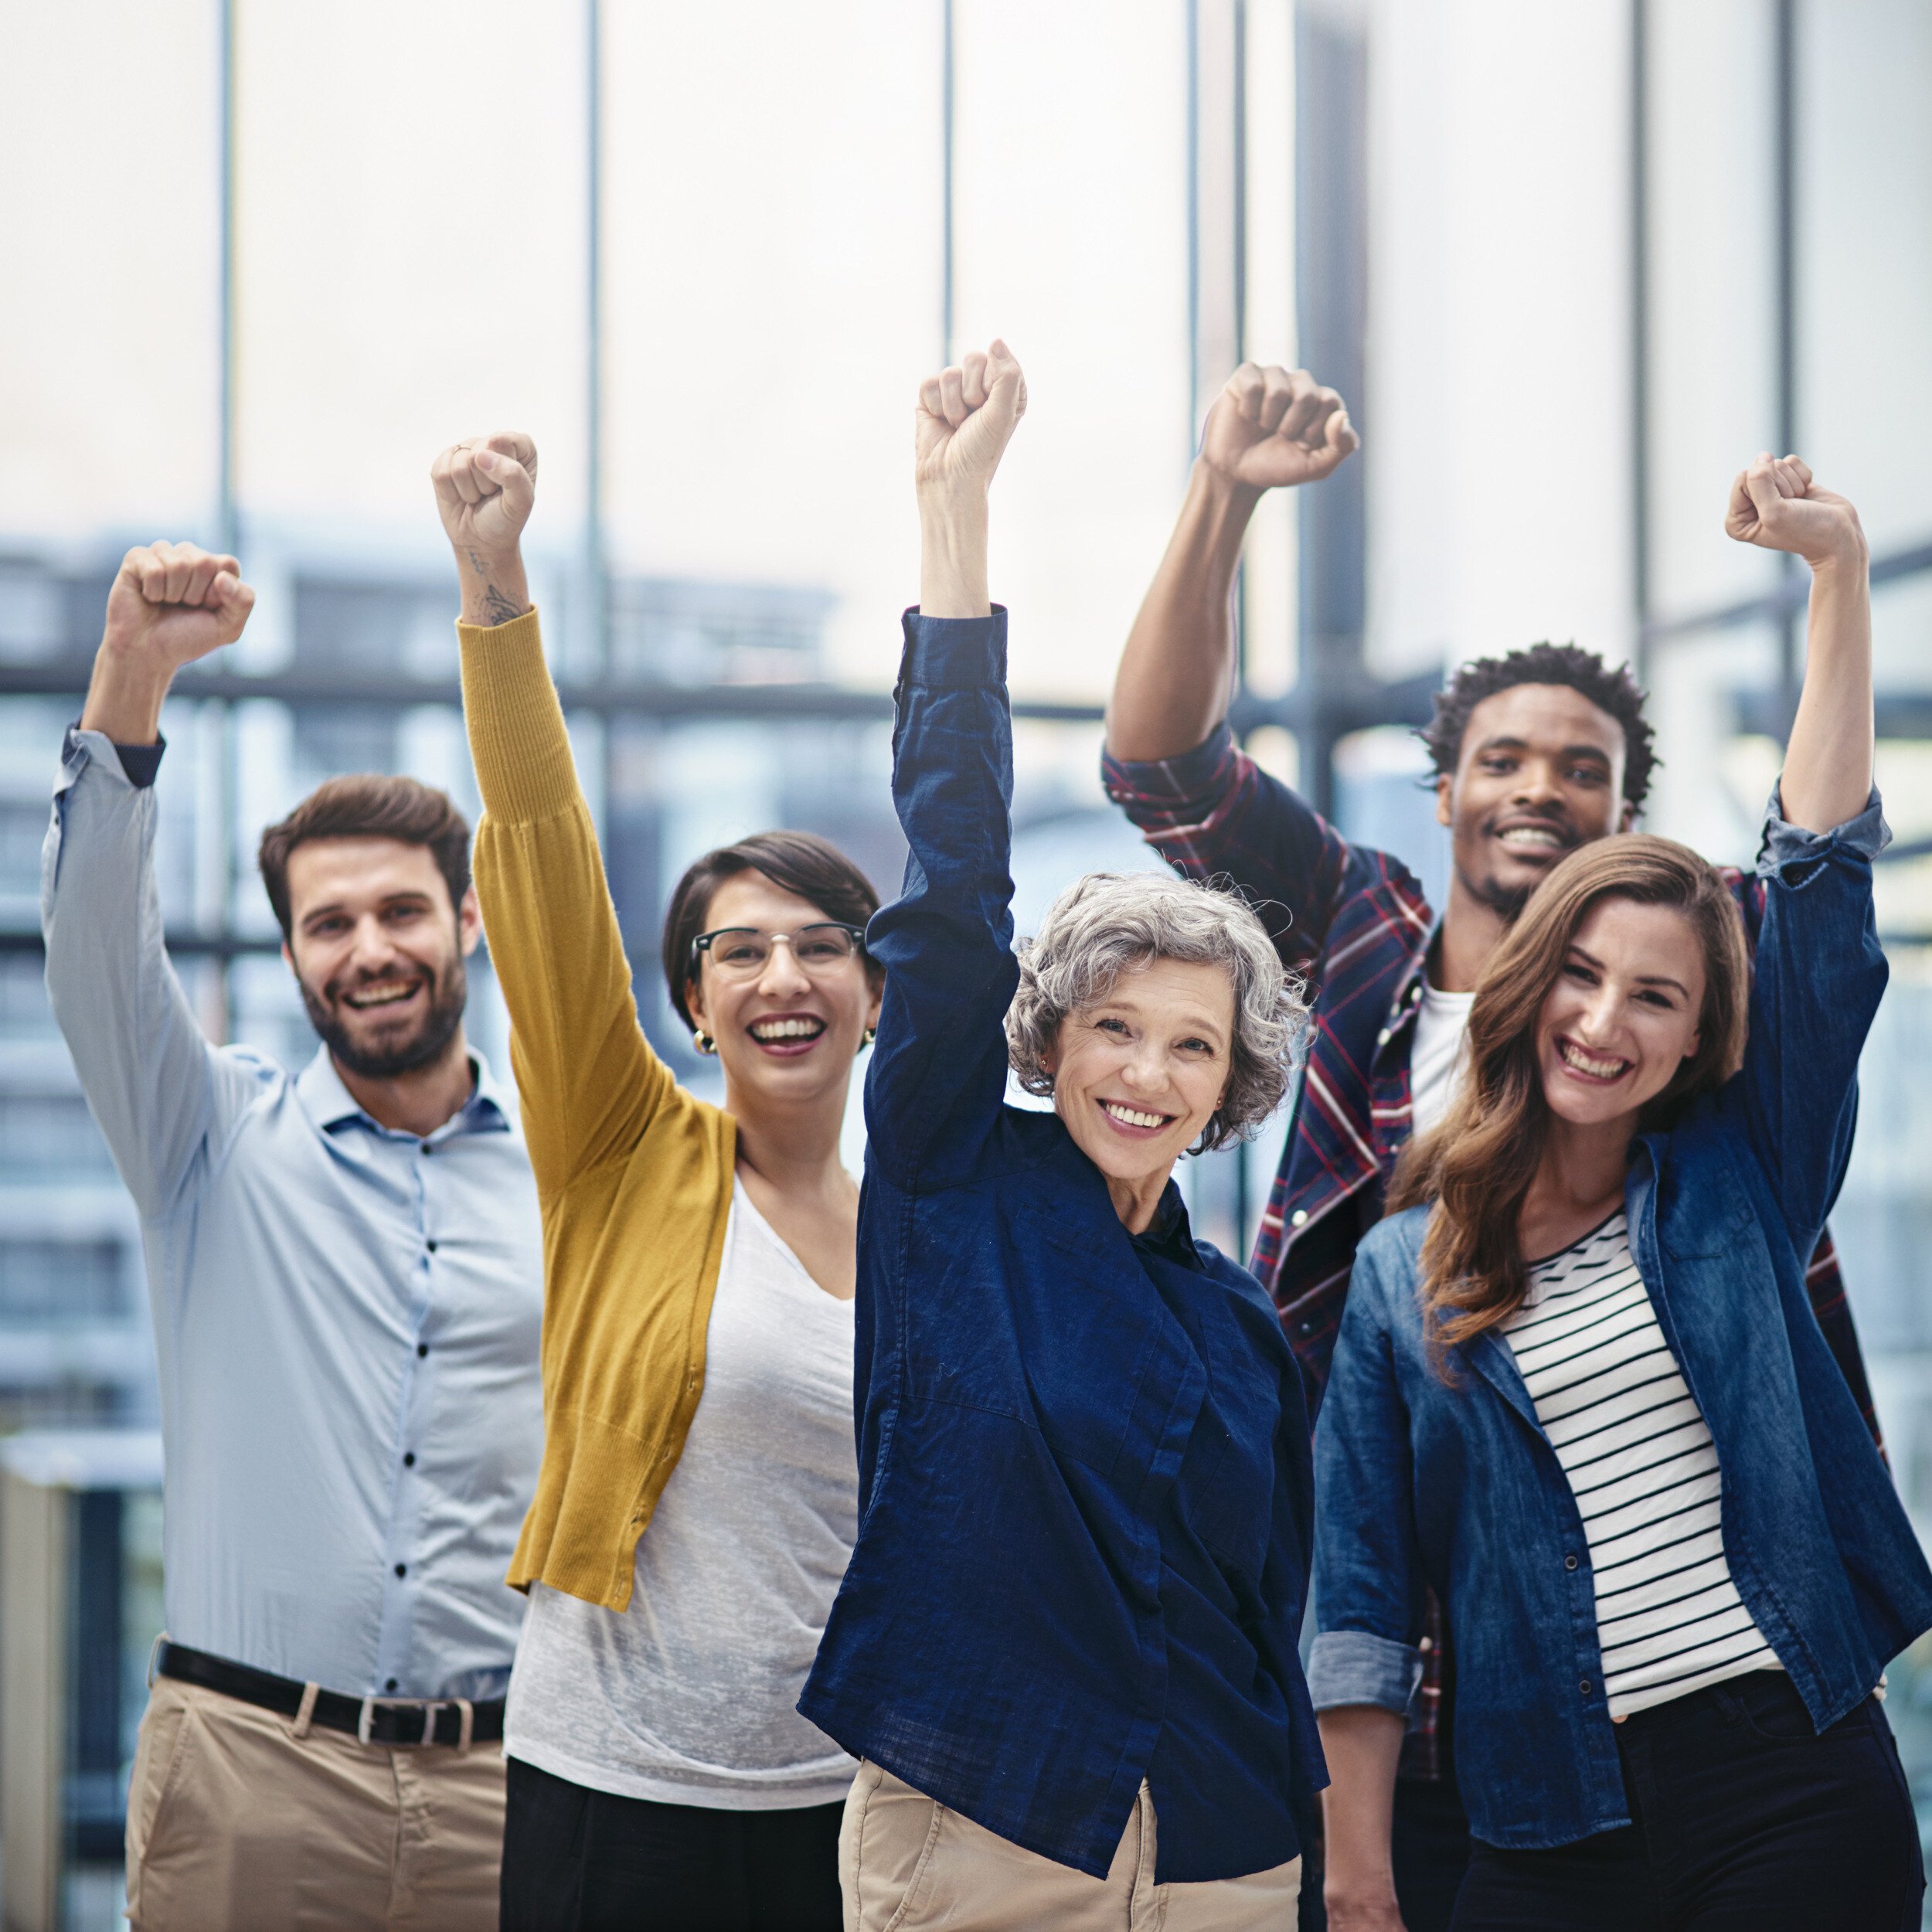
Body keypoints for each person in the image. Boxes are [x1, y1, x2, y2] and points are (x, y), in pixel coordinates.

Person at [1100, 364, 1883, 1928]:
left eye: (1581, 767)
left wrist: (1833, 576)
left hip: (1718, 1661)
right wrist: (1227, 492)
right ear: (1443, 785)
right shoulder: (1359, 928)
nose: (1538, 784)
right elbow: (1157, 760)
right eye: (1506, 758)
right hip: (1403, 1638)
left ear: (1621, 818)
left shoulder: (1691, 1010)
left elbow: (1813, 874)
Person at [1311, 454, 1932, 1931]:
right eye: (1581, 978)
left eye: (1657, 997)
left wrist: (1837, 578)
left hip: (1793, 1777)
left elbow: (1824, 888)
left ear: (1700, 1039)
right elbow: (1358, 1594)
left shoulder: (1741, 1179)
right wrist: (1360, 1878)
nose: (1606, 1022)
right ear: (1526, 993)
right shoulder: (1403, 1271)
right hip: (1538, 1816)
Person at [798, 341, 1321, 1930]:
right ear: (1049, 1035)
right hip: (988, 1824)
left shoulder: (1235, 1318)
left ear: (1228, 1083)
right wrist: (952, 529)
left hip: (1230, 1841)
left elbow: (1260, 1614)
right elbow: (950, 893)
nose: (1147, 1074)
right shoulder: (953, 1183)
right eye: (1114, 1026)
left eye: (1190, 1045)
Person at [41, 543, 545, 1929]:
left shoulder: (568, 1182)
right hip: (249, 1771)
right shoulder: (204, 1140)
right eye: (328, 924)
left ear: (469, 920)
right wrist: (133, 671)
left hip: (512, 1787)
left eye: (399, 910)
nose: (369, 948)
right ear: (291, 957)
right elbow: (95, 949)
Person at [431, 430, 883, 1932]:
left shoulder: (916, 1235)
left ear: (872, 992)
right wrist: (495, 588)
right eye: (738, 947)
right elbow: (543, 860)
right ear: (692, 1001)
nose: (781, 973)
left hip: (842, 1799)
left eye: (820, 941)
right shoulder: (626, 1145)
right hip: (614, 1796)